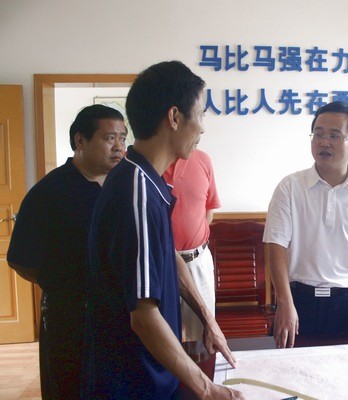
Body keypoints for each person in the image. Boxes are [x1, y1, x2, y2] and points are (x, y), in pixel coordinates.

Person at [82, 61, 244, 400]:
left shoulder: (144, 181)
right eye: (200, 115)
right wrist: (208, 390)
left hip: (150, 374)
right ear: (174, 117)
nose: (202, 128)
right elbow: (144, 318)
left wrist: (208, 320)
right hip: (134, 381)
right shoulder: (137, 193)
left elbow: (167, 257)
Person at [7, 104, 127, 400]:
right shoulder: (49, 192)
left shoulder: (121, 186)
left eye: (122, 138)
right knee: (69, 387)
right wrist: (64, 285)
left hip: (116, 312)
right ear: (80, 141)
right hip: (69, 316)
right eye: (109, 138)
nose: (119, 146)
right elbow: (21, 260)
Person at [263, 101, 348, 349]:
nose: (324, 142)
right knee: (290, 369)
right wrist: (285, 302)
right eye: (318, 134)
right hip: (298, 301)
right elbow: (275, 245)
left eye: (334, 135)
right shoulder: (290, 187)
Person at [163, 149, 221, 342]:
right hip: (161, 263)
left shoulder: (203, 160)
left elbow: (209, 209)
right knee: (164, 337)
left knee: (202, 336)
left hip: (197, 262)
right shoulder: (148, 162)